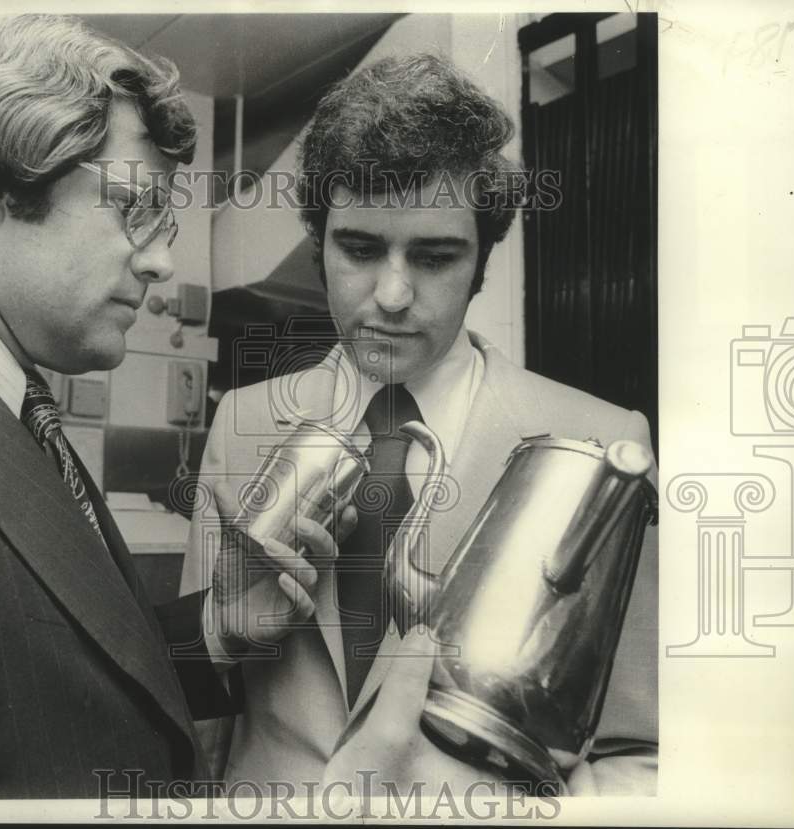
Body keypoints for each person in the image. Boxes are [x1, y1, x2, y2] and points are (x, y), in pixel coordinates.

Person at [0, 14, 351, 799]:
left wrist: (215, 627)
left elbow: (61, 689)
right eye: (133, 208)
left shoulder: (0, 405)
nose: (157, 262)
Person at [181, 53, 659, 796]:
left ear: (481, 265)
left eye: (435, 256)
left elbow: (643, 748)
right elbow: (201, 711)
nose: (394, 295)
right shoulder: (241, 423)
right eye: (361, 249)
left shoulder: (601, 439)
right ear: (318, 246)